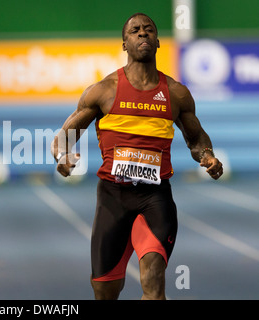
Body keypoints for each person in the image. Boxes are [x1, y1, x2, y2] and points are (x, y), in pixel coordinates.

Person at [51, 13, 223, 300]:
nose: (143, 34)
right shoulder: (104, 91)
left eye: (149, 30)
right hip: (112, 199)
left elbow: (196, 138)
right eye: (135, 30)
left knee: (154, 286)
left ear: (157, 42)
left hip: (155, 198)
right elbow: (64, 136)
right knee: (105, 292)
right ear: (124, 43)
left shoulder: (177, 94)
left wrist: (207, 155)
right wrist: (62, 155)